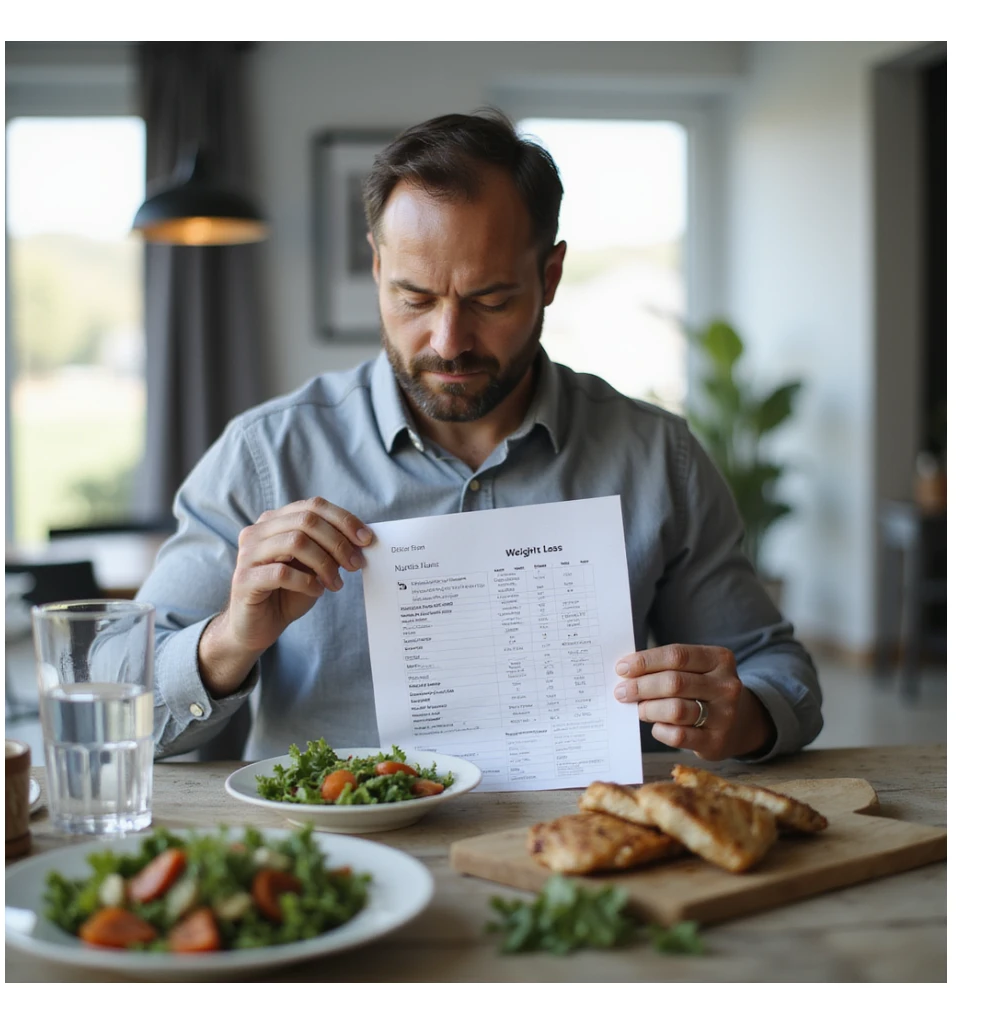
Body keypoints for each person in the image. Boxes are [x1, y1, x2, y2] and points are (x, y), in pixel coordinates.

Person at [140, 109, 822, 765]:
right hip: (334, 857)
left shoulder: (655, 456)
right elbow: (124, 701)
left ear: (549, 277)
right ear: (377, 268)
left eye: (490, 301)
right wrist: (230, 639)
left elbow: (775, 669)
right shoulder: (266, 455)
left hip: (588, 847)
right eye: (414, 298)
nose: (448, 342)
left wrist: (739, 714)